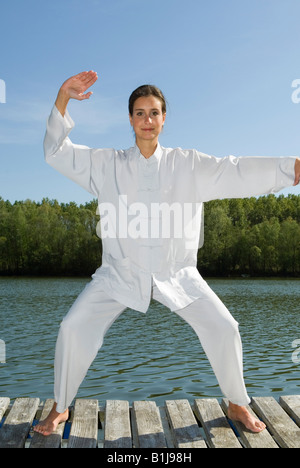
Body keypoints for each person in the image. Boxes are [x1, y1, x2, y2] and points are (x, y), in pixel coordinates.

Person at [34, 70, 300, 436]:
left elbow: (235, 169)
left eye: (154, 112)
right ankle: (59, 407)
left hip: (177, 274)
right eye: (140, 113)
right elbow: (56, 152)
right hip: (119, 274)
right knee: (72, 328)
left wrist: (291, 169)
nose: (147, 120)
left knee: (225, 328)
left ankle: (237, 403)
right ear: (130, 119)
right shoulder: (106, 164)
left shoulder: (188, 164)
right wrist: (63, 96)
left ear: (164, 118)